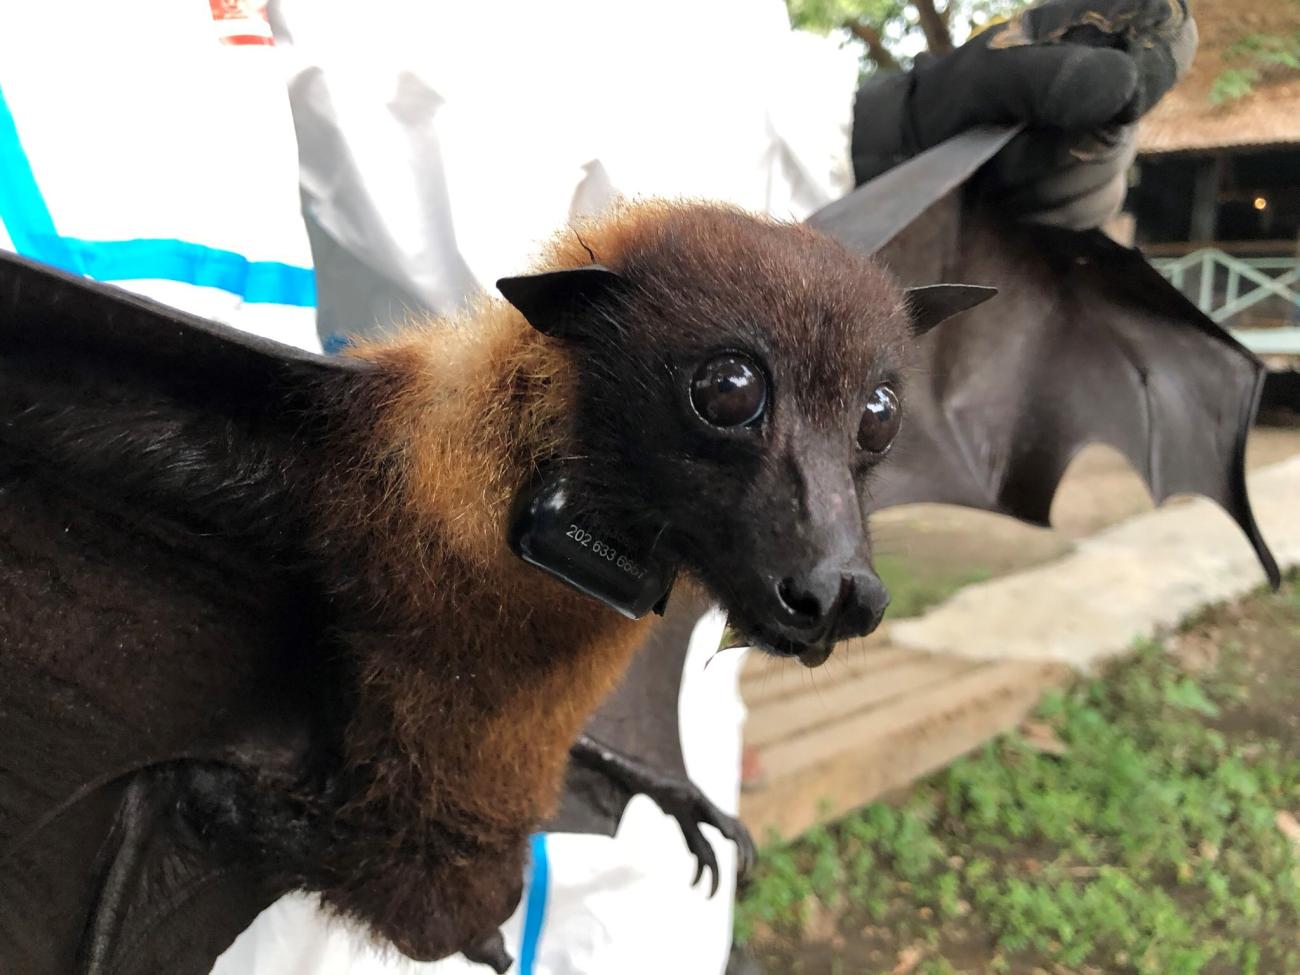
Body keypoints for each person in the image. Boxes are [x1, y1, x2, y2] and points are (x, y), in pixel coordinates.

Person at [0, 1, 1195, 971]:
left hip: (609, 819)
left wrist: (872, 137)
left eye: (875, 423)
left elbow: (618, 70)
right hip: (227, 785)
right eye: (733, 405)